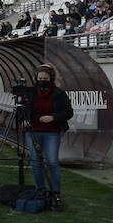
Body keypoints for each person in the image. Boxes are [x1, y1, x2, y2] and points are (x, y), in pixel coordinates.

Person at [24, 63, 73, 211]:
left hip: (52, 132)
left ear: (50, 78)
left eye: (45, 78)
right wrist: (24, 119)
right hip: (33, 131)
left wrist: (53, 117)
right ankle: (41, 189)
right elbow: (23, 109)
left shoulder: (59, 94)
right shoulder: (30, 92)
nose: (42, 80)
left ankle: (55, 192)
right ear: (36, 78)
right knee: (35, 161)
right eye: (40, 78)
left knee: (52, 162)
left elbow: (68, 112)